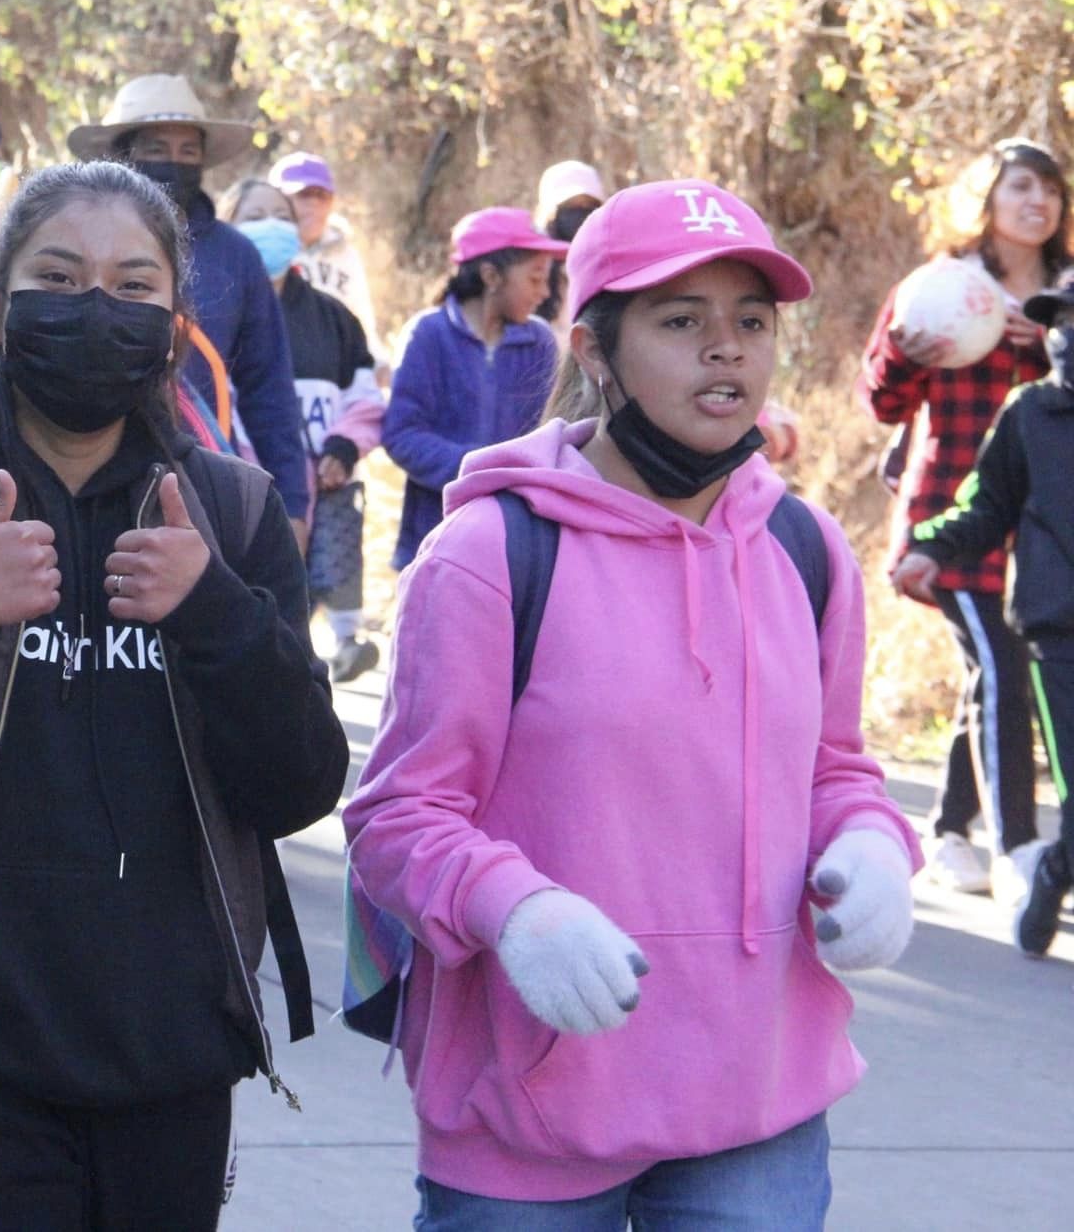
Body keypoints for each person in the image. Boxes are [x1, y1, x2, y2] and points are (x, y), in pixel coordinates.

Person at [0, 160, 348, 1230]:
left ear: (176, 328)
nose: (97, 309)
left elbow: (302, 782)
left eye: (134, 287)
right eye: (60, 275)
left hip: (174, 1059)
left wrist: (213, 611)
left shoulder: (226, 512)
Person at [348, 179, 919, 1229]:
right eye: (678, 320)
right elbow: (396, 819)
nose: (725, 350)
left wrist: (876, 848)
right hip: (527, 1116)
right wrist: (515, 909)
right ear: (595, 349)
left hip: (756, 1109)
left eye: (750, 321)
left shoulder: (805, 549)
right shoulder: (487, 555)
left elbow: (835, 769)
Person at [857, 138, 1071, 899]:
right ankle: (1018, 849)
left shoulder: (1067, 293)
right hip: (951, 513)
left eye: (1049, 189)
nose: (1036, 202)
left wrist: (1049, 352)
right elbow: (881, 400)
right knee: (1002, 665)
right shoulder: (942, 287)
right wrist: (908, 357)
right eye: (1019, 188)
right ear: (985, 197)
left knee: (994, 670)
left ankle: (950, 826)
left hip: (1046, 526)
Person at [895, 283, 1074, 957]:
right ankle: (1057, 868)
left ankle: (1057, 869)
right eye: (1064, 322)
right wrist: (931, 546)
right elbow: (986, 503)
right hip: (1059, 631)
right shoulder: (1031, 412)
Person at [68, 74, 311, 540]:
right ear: (122, 154)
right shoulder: (76, 243)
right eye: (156, 150)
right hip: (89, 485)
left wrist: (294, 506)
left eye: (188, 152)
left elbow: (269, 389)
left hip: (206, 487)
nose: (173, 165)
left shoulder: (236, 256)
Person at [221, 176, 383, 682]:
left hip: (319, 500)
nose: (271, 226)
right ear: (227, 229)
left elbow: (365, 400)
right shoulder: (212, 313)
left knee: (292, 645)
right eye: (254, 216)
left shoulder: (334, 319)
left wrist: (343, 447)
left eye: (281, 216)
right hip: (234, 503)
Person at [383, 207, 563, 572]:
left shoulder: (540, 342)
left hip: (519, 536)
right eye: (535, 278)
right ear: (491, 275)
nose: (544, 293)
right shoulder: (428, 335)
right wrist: (479, 469)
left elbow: (552, 431)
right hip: (435, 534)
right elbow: (402, 433)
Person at [269, 151, 377, 342]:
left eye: (322, 195)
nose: (314, 204)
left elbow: (363, 322)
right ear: (277, 199)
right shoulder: (265, 251)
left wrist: (377, 362)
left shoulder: (345, 254)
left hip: (336, 362)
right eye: (304, 194)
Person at [533, 158, 607, 326]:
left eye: (589, 205)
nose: (581, 214)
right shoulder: (532, 271)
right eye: (570, 206)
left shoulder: (610, 264)